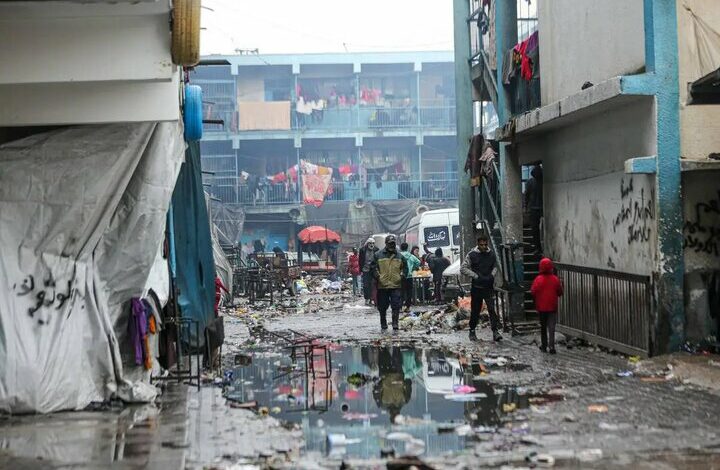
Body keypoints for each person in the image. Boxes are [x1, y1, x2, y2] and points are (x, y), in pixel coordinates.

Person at [460, 234, 502, 342]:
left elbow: (496, 266)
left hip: (488, 286)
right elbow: (463, 268)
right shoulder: (472, 255)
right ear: (478, 244)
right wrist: (475, 276)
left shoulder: (491, 254)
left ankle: (495, 331)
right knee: (475, 311)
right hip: (477, 287)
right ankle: (472, 331)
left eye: (485, 244)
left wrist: (492, 275)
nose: (483, 247)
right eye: (481, 245)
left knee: (492, 309)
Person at [371, 234, 407, 332]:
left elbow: (405, 268)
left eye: (393, 244)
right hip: (382, 285)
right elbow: (373, 268)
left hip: (396, 285)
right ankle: (383, 322)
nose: (392, 246)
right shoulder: (378, 255)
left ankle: (395, 323)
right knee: (382, 306)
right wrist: (378, 276)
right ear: (386, 244)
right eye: (390, 244)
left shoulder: (400, 256)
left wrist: (402, 276)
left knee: (396, 305)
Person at [531, 257, 564, 354]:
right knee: (552, 327)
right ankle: (552, 346)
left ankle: (544, 346)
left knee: (543, 327)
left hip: (541, 308)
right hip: (552, 307)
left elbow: (533, 291)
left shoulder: (538, 279)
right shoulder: (555, 279)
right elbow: (560, 292)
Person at [524, 165, 544, 254]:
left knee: (535, 230)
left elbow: (526, 195)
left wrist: (525, 207)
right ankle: (538, 248)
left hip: (534, 208)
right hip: (539, 208)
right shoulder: (542, 181)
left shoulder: (530, 182)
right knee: (535, 230)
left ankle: (538, 248)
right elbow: (527, 196)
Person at [399, 242, 420, 311]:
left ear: (401, 248)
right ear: (407, 248)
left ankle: (400, 307)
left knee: (401, 292)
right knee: (409, 292)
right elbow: (418, 262)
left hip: (401, 276)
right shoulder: (411, 256)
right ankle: (407, 307)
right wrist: (413, 268)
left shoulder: (398, 256)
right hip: (409, 276)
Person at [359, 238, 378, 305]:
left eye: (373, 243)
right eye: (370, 243)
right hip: (365, 269)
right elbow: (360, 260)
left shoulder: (376, 250)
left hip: (373, 270)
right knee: (366, 285)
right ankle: (367, 298)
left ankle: (372, 299)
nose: (371, 245)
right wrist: (360, 270)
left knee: (373, 285)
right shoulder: (362, 250)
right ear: (367, 244)